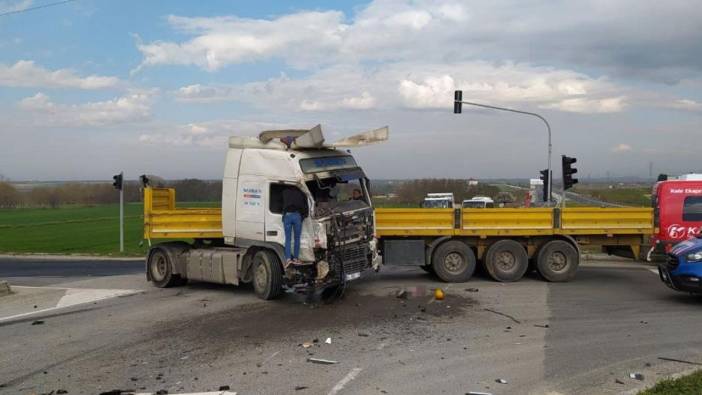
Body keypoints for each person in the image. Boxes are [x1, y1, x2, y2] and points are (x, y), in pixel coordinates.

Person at [282, 186, 308, 266]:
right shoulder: (301, 193)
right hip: (297, 215)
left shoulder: (284, 192)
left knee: (288, 239)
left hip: (287, 216)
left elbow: (280, 204)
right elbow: (304, 207)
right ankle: (296, 259)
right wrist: (302, 217)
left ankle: (288, 259)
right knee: (297, 239)